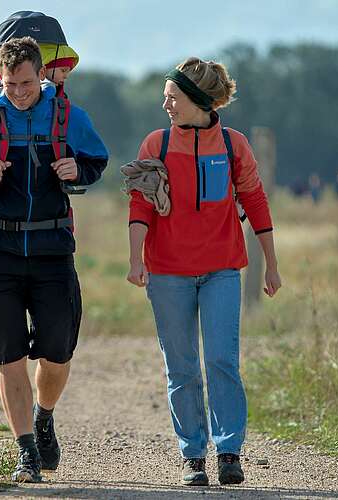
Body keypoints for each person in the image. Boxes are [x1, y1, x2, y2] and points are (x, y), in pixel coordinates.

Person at [0, 37, 108, 483]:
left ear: (42, 75)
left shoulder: (69, 117)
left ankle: (44, 415)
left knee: (57, 351)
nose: (18, 92)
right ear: (0, 76)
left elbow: (97, 160)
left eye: (27, 83)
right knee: (8, 356)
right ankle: (26, 450)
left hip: (52, 252)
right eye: (10, 84)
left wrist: (77, 170)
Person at [125, 57, 282, 487]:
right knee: (182, 368)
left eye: (172, 97)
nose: (166, 104)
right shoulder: (154, 145)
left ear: (197, 101)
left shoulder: (234, 146)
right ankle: (193, 456)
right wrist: (136, 258)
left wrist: (271, 262)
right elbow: (140, 204)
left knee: (221, 361)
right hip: (168, 273)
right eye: (165, 96)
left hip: (222, 271)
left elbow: (255, 201)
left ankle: (229, 452)